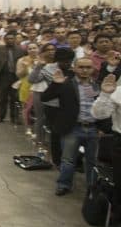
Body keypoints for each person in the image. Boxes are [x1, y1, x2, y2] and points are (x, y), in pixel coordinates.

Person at [43, 57, 106, 195]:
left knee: (92, 161)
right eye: (81, 67)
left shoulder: (98, 85)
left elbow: (104, 108)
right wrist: (55, 84)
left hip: (93, 128)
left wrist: (102, 127)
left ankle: (92, 186)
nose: (84, 70)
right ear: (74, 68)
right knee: (68, 159)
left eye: (88, 67)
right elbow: (45, 98)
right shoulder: (66, 84)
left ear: (93, 69)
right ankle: (64, 184)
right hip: (72, 128)